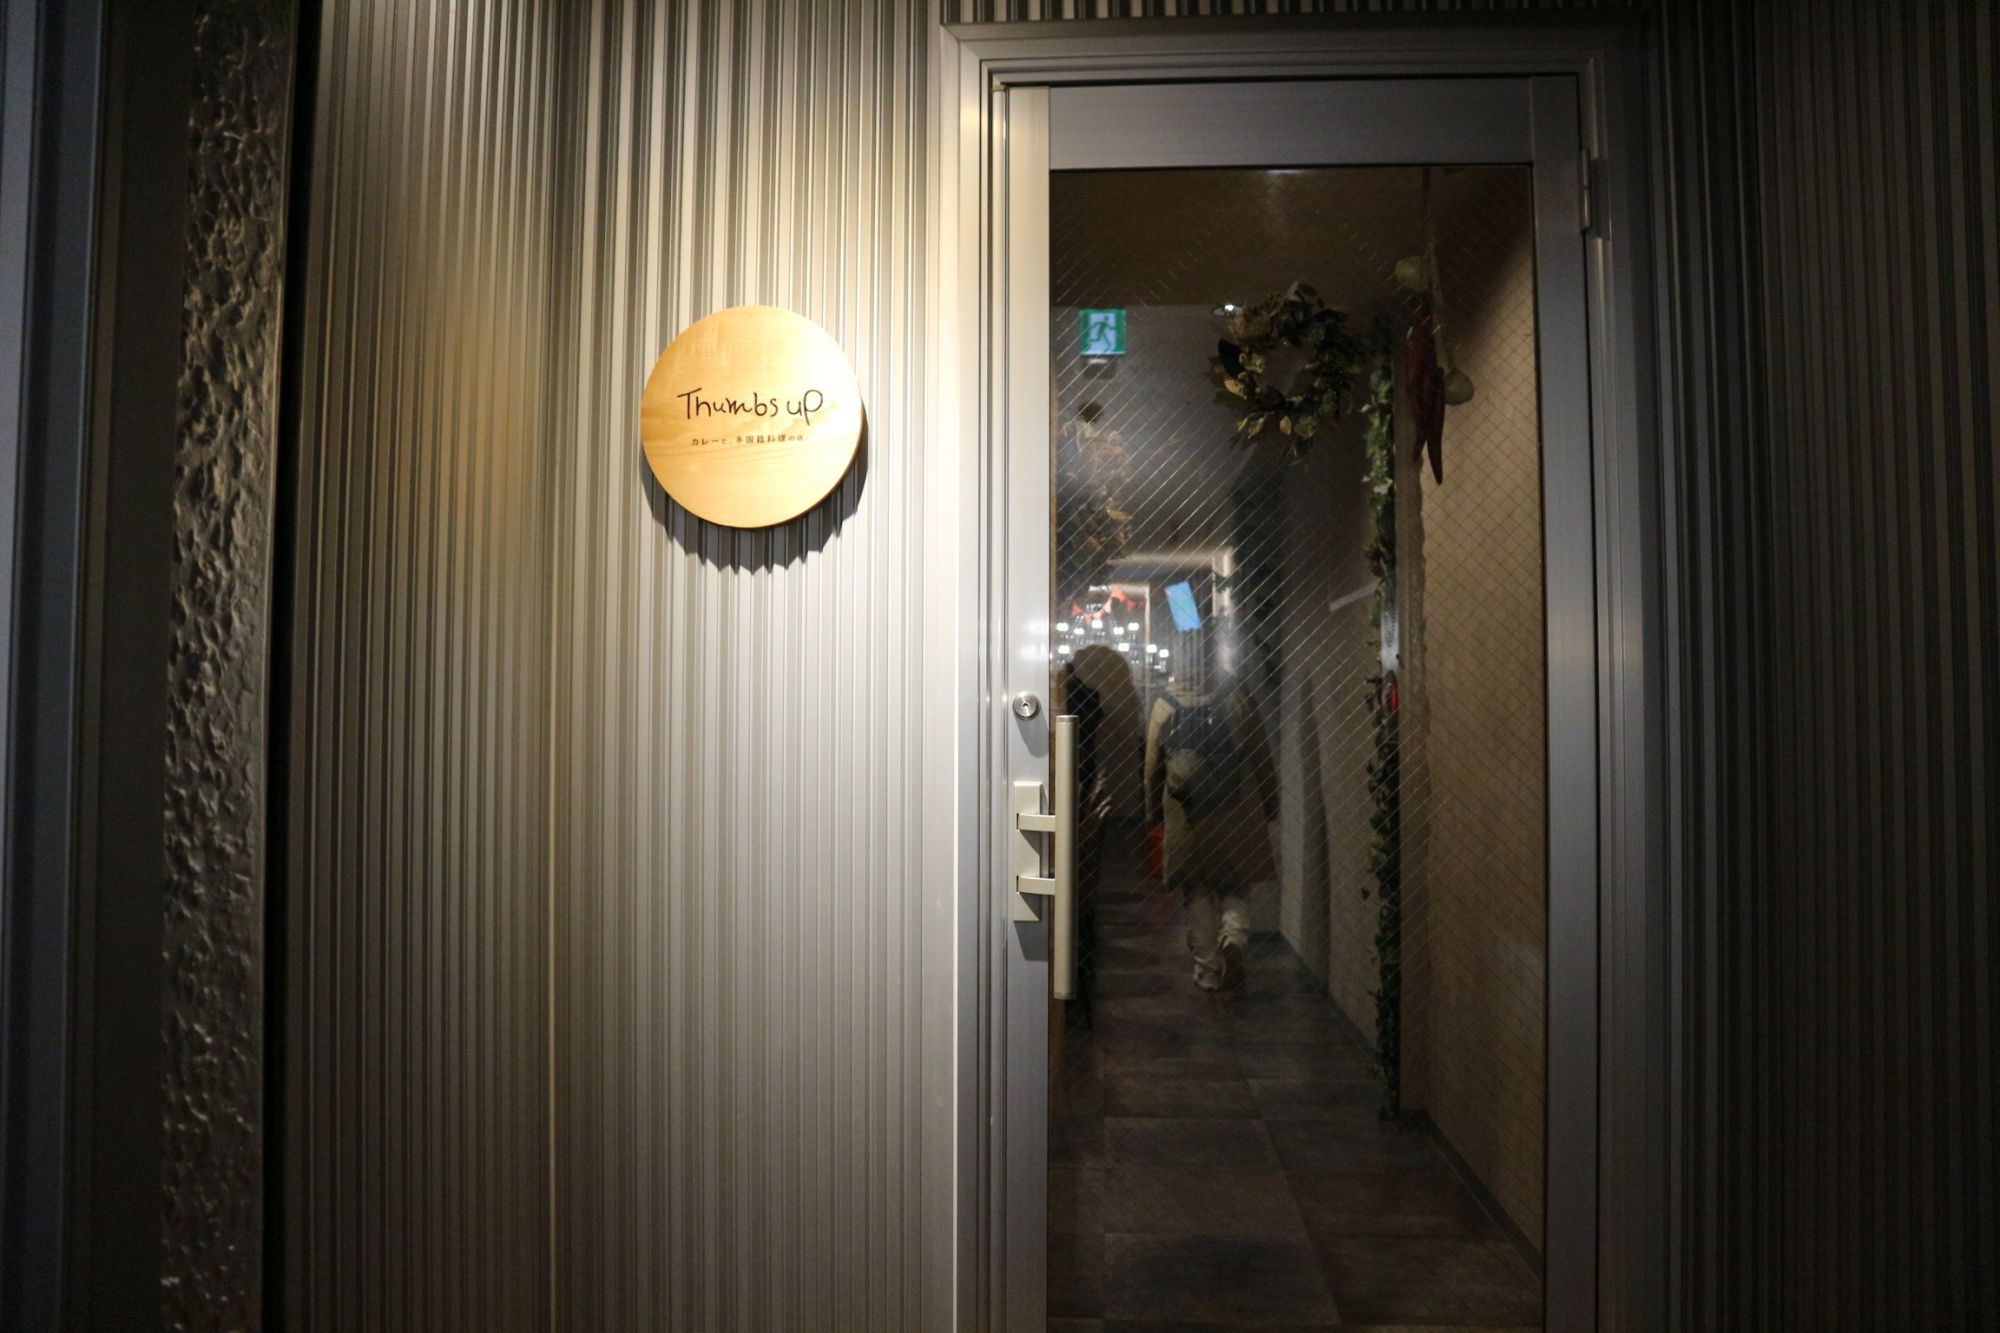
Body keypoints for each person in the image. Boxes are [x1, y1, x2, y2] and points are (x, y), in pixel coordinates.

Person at [1143, 673, 1279, 991]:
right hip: (1236, 805)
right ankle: (1233, 937)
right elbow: (1261, 753)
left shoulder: (1165, 703)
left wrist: (1152, 810)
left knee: (1197, 888)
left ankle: (1207, 970)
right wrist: (1270, 801)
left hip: (1186, 813)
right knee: (1235, 881)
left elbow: (1153, 764)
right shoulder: (1238, 696)